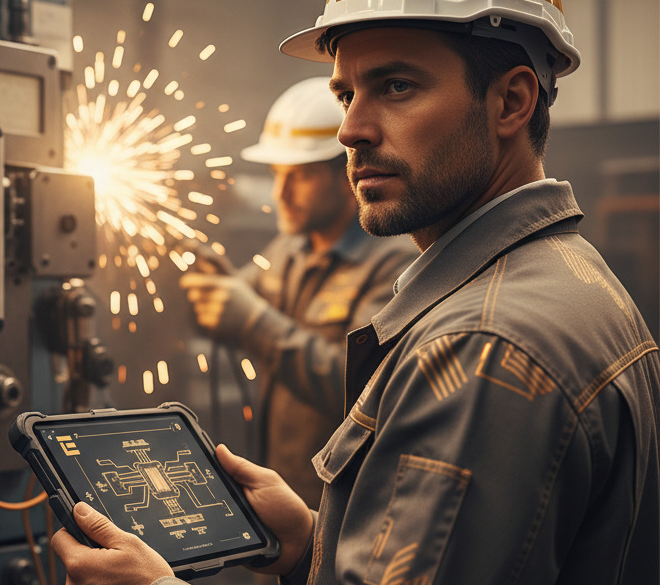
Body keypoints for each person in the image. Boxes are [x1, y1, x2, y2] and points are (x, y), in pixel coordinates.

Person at [51, 1, 660, 584]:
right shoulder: (566, 273)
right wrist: (310, 548)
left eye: (397, 86)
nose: (350, 130)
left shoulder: (481, 347)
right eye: (346, 94)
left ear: (512, 101)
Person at [178, 77, 416, 509]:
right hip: (277, 498)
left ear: (347, 174)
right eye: (276, 175)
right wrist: (213, 280)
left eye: (299, 177)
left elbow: (359, 389)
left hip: (340, 513)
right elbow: (227, 304)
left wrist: (252, 321)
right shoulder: (290, 252)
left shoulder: (393, 263)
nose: (279, 194)